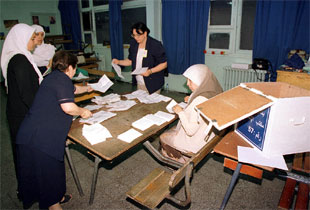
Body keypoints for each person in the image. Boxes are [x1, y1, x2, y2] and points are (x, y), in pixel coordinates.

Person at [15, 50, 93, 209]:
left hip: (28, 135)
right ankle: (53, 202)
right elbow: (68, 107)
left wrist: (87, 88)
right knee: (49, 179)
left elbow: (73, 89)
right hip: (41, 141)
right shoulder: (63, 79)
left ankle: (55, 196)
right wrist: (83, 111)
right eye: (75, 69)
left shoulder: (50, 78)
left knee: (44, 176)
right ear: (71, 68)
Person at [0, 23, 43, 181]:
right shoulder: (20, 61)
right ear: (21, 39)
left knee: (26, 155)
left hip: (20, 113)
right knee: (28, 155)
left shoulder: (20, 57)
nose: (34, 42)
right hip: (23, 116)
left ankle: (31, 190)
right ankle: (33, 191)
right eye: (32, 39)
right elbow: (28, 94)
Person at [160, 64, 223, 163]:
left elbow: (190, 131)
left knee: (163, 137)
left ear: (200, 81)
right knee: (173, 131)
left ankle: (178, 162)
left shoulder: (199, 101)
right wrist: (191, 98)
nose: (187, 84)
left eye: (190, 80)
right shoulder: (214, 91)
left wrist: (180, 112)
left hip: (195, 142)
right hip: (207, 136)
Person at [112, 22, 167, 94]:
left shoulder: (155, 45)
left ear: (145, 33)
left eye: (138, 35)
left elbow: (164, 64)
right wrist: (118, 62)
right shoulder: (133, 44)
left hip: (153, 83)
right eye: (134, 35)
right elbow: (130, 61)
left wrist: (150, 71)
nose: (136, 38)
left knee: (152, 104)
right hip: (140, 81)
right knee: (141, 103)